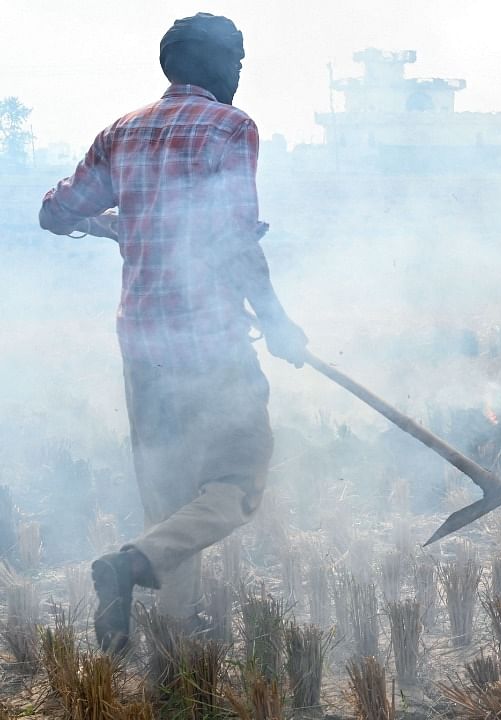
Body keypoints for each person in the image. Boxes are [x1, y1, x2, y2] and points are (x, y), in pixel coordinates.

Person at [37, 13, 308, 652]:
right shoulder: (230, 127)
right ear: (209, 63)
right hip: (209, 343)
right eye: (236, 58)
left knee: (167, 492)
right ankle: (130, 566)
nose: (241, 70)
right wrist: (275, 322)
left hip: (141, 343)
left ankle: (173, 631)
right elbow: (235, 235)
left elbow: (55, 213)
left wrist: (122, 225)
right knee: (239, 484)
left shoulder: (121, 132)